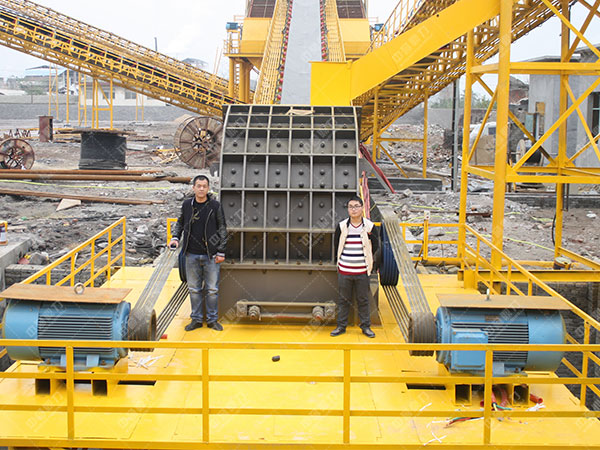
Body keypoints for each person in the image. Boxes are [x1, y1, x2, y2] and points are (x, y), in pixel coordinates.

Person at [169, 175, 228, 331]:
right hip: (191, 254)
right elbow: (180, 223)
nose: (201, 189)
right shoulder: (187, 205)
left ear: (208, 188)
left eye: (204, 186)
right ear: (193, 188)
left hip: (211, 255)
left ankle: (212, 320)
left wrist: (221, 251)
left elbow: (222, 228)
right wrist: (175, 238)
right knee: (194, 289)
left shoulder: (215, 206)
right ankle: (196, 319)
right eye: (199, 186)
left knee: (212, 290)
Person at [330, 196, 379, 338]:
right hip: (344, 270)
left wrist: (367, 262)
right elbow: (336, 244)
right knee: (343, 300)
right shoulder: (342, 226)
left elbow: (375, 245)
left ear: (362, 208)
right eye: (351, 207)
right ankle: (341, 326)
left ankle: (365, 327)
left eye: (357, 206)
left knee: (363, 300)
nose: (354, 209)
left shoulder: (369, 227)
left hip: (362, 271)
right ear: (348, 209)